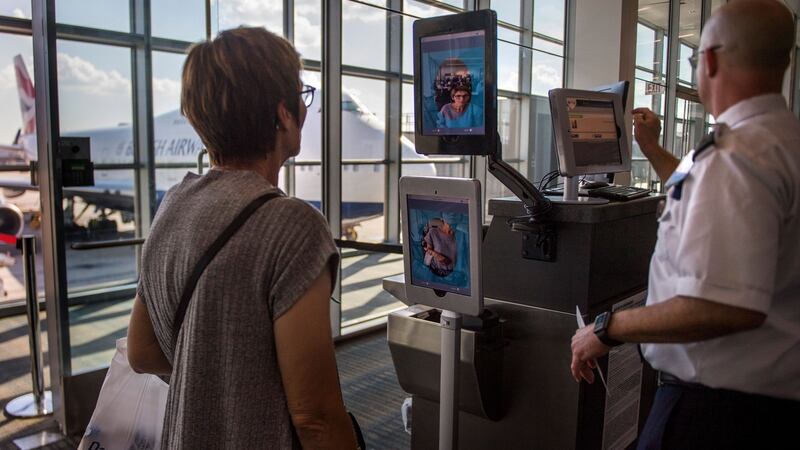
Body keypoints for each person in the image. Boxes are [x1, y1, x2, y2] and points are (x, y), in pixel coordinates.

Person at [570, 1, 800, 449]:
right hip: (768, 403)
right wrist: (651, 147)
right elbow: (695, 190)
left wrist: (606, 328)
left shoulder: (736, 157)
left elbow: (725, 306)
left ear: (709, 59)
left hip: (715, 413)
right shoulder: (778, 142)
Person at [126, 27, 358, 449]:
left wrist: (211, 376)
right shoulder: (292, 226)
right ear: (283, 114)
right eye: (300, 97)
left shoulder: (172, 205)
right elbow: (316, 418)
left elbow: (141, 352)